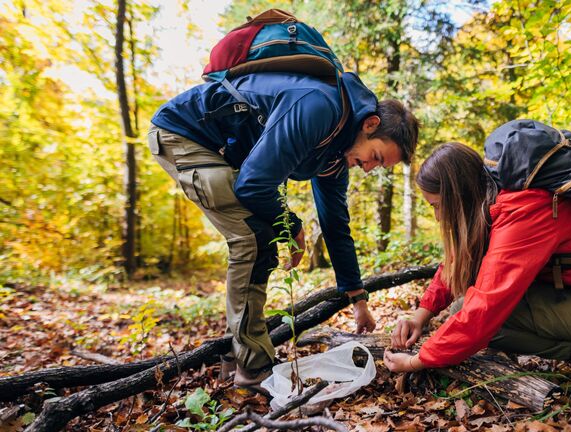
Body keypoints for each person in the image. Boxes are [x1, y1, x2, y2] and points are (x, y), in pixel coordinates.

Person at [148, 71, 418, 387]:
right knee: (251, 239)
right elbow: (252, 185)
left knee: (259, 237)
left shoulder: (333, 154)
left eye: (378, 166)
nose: (369, 168)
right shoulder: (318, 107)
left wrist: (358, 299)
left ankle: (235, 355)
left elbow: (335, 226)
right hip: (184, 134)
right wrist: (292, 226)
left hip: (218, 151)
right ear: (370, 124)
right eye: (375, 156)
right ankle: (254, 367)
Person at [384, 142, 571, 382]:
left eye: (436, 205)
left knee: (481, 319)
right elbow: (459, 258)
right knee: (463, 309)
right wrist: (420, 315)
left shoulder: (523, 211)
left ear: (458, 198)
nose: (437, 217)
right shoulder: (496, 200)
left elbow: (486, 309)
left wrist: (417, 360)